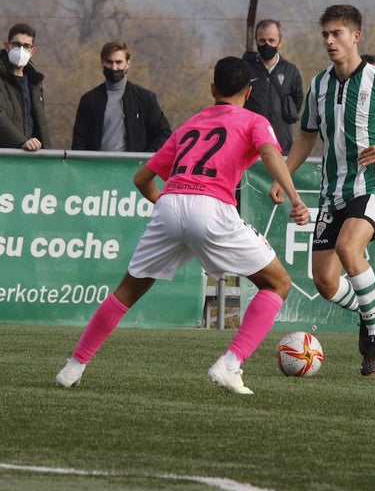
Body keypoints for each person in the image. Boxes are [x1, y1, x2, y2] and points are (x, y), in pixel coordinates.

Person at [55, 56, 310, 395]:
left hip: (171, 203)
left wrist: (168, 206)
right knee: (277, 283)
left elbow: (142, 178)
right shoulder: (254, 120)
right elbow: (270, 153)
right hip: (212, 208)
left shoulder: (190, 125)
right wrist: (294, 197)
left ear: (212, 89)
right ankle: (230, 364)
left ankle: (73, 367)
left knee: (126, 292)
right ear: (249, 92)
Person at [271, 4, 375, 376]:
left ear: (355, 37)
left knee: (348, 247)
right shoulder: (319, 85)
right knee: (325, 283)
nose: (329, 41)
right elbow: (306, 137)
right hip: (332, 193)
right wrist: (285, 177)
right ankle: (368, 310)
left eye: (337, 33)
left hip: (372, 185)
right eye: (325, 34)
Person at [71, 40, 171, 152]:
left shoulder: (144, 99)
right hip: (97, 168)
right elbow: (78, 142)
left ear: (128, 64)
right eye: (109, 62)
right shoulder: (89, 100)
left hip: (134, 168)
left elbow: (164, 133)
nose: (114, 68)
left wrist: (144, 161)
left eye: (119, 62)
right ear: (102, 62)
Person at [0, 23, 50, 151]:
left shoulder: (34, 83)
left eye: (26, 46)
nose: (21, 50)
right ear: (7, 46)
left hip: (30, 159)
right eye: (17, 45)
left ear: (32, 51)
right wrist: (21, 142)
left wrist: (47, 156)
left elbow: (41, 125)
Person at [243, 19, 303, 153]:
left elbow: (297, 102)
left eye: (271, 40)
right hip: (250, 145)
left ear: (280, 41)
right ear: (256, 41)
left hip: (281, 144)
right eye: (262, 41)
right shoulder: (245, 69)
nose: (267, 45)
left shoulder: (290, 71)